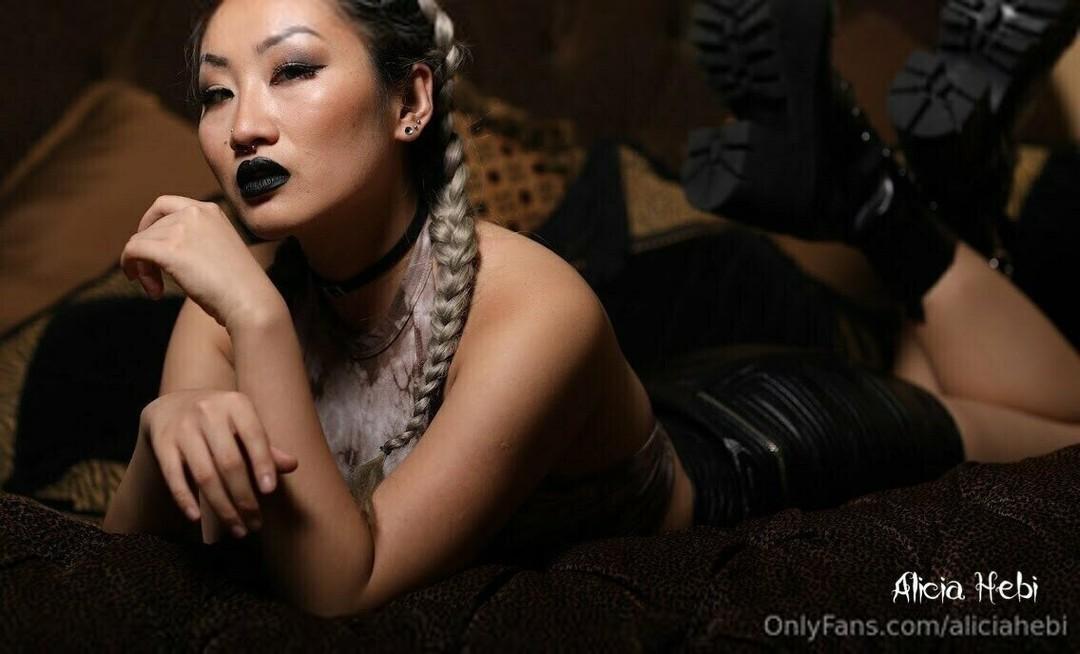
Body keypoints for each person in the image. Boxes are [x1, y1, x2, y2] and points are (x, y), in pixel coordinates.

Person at [100, 0, 1079, 620]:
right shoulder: (227, 309)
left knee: (1062, 433)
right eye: (215, 94)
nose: (244, 126)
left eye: (293, 70)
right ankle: (920, 193)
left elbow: (343, 584)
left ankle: (889, 206)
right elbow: (110, 576)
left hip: (763, 439)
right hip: (660, 404)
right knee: (928, 362)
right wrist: (161, 427)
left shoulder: (534, 306)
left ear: (411, 102)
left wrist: (258, 322)